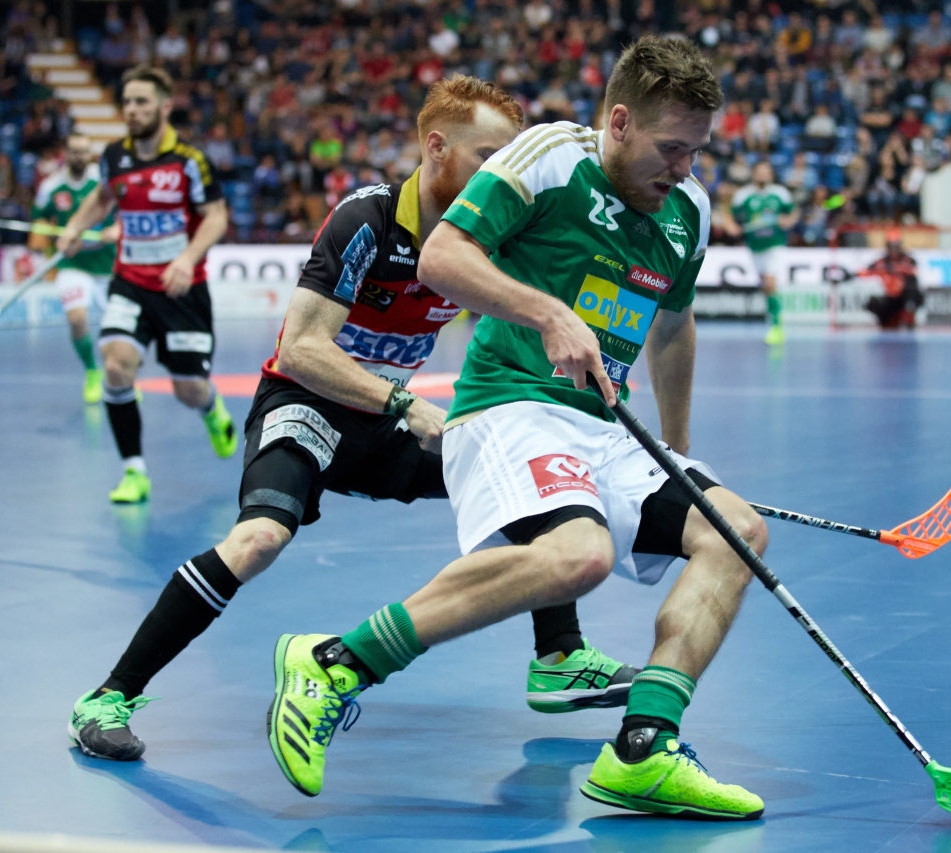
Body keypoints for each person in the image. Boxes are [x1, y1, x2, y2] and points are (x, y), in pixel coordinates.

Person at [265, 35, 768, 820]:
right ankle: (336, 661)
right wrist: (546, 311)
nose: (685, 169)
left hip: (606, 427)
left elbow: (672, 326)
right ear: (621, 122)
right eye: (672, 149)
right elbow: (440, 256)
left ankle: (644, 749)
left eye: (698, 151)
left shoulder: (688, 210)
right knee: (580, 555)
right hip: (509, 404)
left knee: (735, 531)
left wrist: (678, 446)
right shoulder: (549, 158)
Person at [68, 76, 638, 762]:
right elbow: (304, 350)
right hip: (303, 404)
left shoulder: (486, 238)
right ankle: (108, 694)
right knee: (258, 540)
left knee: (534, 490)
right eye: (489, 157)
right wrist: (402, 401)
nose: (505, 175)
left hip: (382, 425)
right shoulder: (364, 219)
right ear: (436, 148)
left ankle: (559, 656)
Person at [57, 65, 236, 503]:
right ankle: (134, 472)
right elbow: (103, 198)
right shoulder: (114, 156)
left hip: (182, 290)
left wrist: (188, 258)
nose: (132, 110)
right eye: (127, 102)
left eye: (142, 101)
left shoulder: (189, 161)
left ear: (164, 106)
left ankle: (212, 410)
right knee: (115, 364)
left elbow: (216, 216)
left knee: (188, 390)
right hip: (131, 283)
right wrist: (76, 228)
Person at [29, 132, 117, 403]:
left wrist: (116, 230)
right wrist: (52, 238)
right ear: (64, 153)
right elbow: (39, 224)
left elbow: (126, 213)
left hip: (108, 265)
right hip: (72, 265)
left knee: (117, 331)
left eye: (84, 151)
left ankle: (120, 380)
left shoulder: (103, 180)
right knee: (77, 320)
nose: (79, 156)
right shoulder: (51, 186)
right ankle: (92, 372)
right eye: (74, 151)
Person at [725, 159, 798, 345]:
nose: (763, 175)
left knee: (771, 283)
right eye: (760, 171)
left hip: (775, 245)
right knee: (765, 287)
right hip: (754, 247)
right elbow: (730, 215)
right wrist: (731, 226)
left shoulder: (780, 194)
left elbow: (793, 212)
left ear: (771, 174)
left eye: (766, 171)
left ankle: (776, 326)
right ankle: (774, 315)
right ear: (754, 174)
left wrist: (788, 220)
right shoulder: (744, 195)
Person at [861, 230, 924, 329]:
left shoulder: (908, 260)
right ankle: (887, 319)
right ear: (887, 247)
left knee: (913, 289)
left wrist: (894, 270)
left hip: (903, 297)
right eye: (891, 246)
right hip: (889, 298)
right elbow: (866, 271)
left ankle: (907, 316)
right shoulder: (881, 262)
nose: (894, 250)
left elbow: (913, 270)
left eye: (896, 246)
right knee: (872, 303)